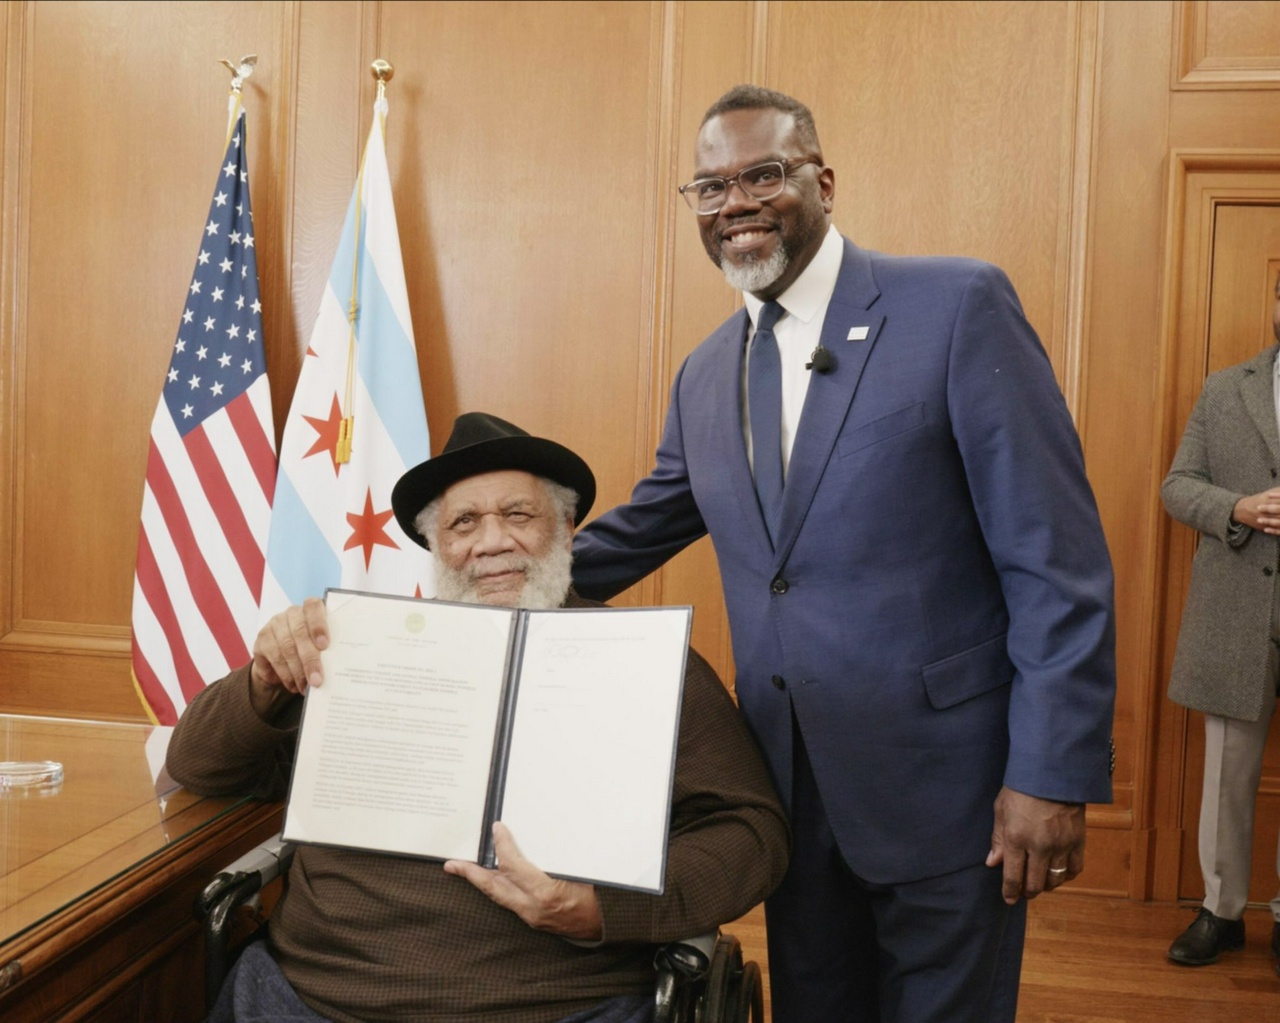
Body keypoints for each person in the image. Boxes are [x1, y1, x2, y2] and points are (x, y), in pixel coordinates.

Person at [571, 85, 1116, 1022]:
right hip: (787, 793)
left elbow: (1055, 560)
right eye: (708, 188)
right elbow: (642, 528)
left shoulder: (956, 305)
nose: (733, 202)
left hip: (952, 792)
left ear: (823, 182)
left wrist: (1051, 773)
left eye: (762, 175)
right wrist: (462, 592)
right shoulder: (705, 374)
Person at [167, 411, 789, 1023]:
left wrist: (601, 911)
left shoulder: (651, 662)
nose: (492, 542)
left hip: (555, 1005)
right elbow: (198, 764)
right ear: (437, 546)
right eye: (464, 523)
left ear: (567, 528)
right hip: (310, 994)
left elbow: (752, 832)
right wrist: (264, 681)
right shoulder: (359, 648)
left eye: (518, 515)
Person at [1162, 273, 1280, 971]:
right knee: (1228, 772)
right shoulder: (1222, 388)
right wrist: (1238, 508)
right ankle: (1222, 910)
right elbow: (1177, 485)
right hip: (1236, 612)